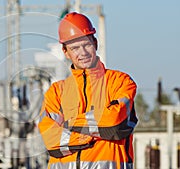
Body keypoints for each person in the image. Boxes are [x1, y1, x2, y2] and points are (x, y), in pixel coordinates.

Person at [38, 12, 138, 169]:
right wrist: (90, 135)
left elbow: (113, 123)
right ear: (66, 52)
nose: (82, 53)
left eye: (87, 45)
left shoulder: (120, 82)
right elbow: (51, 140)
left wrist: (69, 124)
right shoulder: (56, 92)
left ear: (96, 43)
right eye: (75, 48)